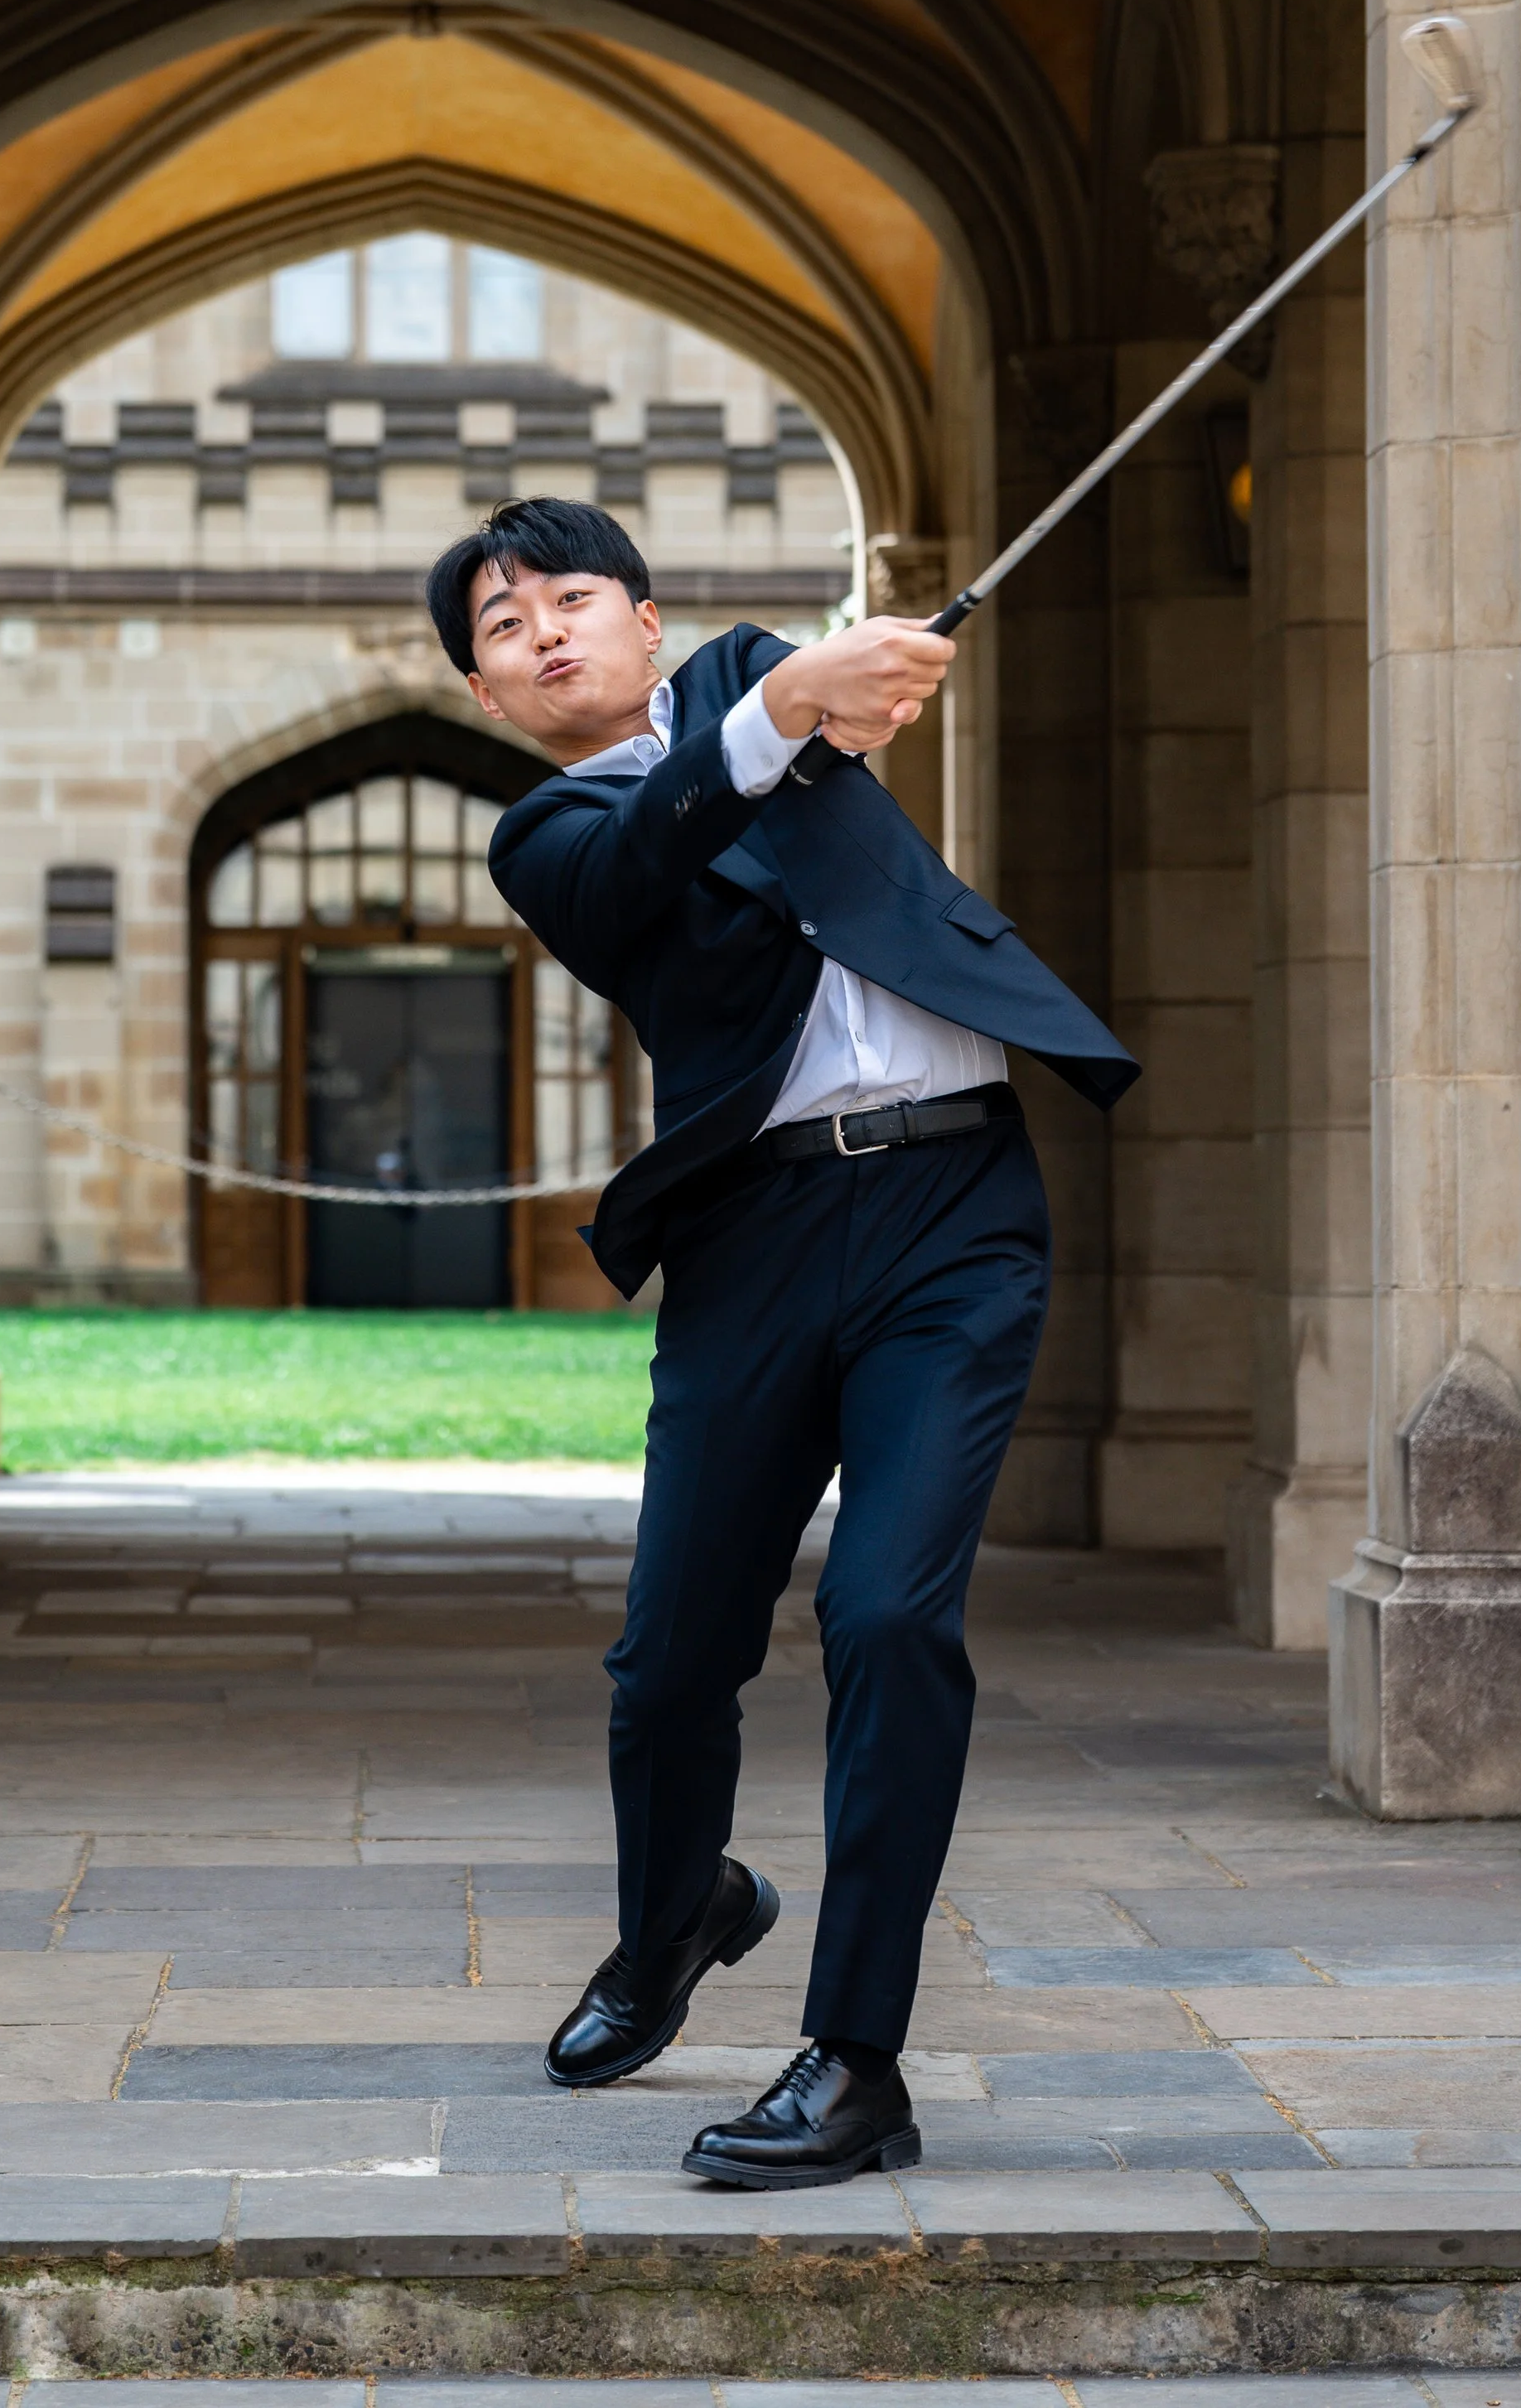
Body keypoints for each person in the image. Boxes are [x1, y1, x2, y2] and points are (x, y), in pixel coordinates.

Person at [422, 496, 1137, 2188]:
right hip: (747, 1237)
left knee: (891, 1616)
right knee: (671, 1655)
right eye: (502, 626)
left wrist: (843, 683)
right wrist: (789, 709)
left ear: (649, 620)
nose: (541, 630)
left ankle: (855, 2061)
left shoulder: (759, 674)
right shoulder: (548, 836)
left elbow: (800, 711)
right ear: (487, 698)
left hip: (952, 1216)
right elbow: (657, 853)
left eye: (570, 595)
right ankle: (677, 1916)